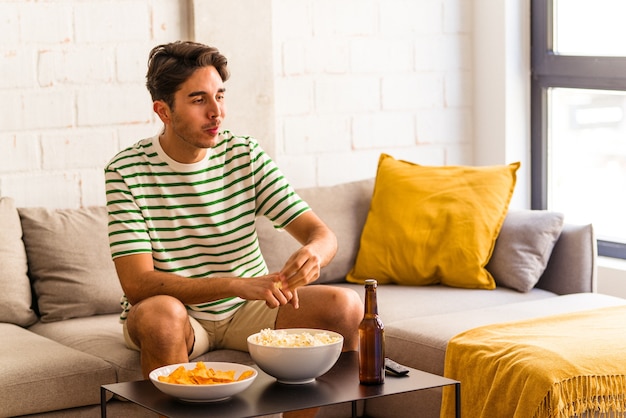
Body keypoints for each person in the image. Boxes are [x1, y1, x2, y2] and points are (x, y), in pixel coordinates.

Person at [104, 41, 362, 416]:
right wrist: (233, 284)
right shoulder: (126, 171)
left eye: (220, 96)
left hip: (250, 307)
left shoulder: (245, 155)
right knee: (161, 317)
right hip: (180, 312)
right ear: (163, 110)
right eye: (198, 100)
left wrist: (313, 254)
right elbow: (138, 284)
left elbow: (323, 235)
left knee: (345, 305)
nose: (216, 113)